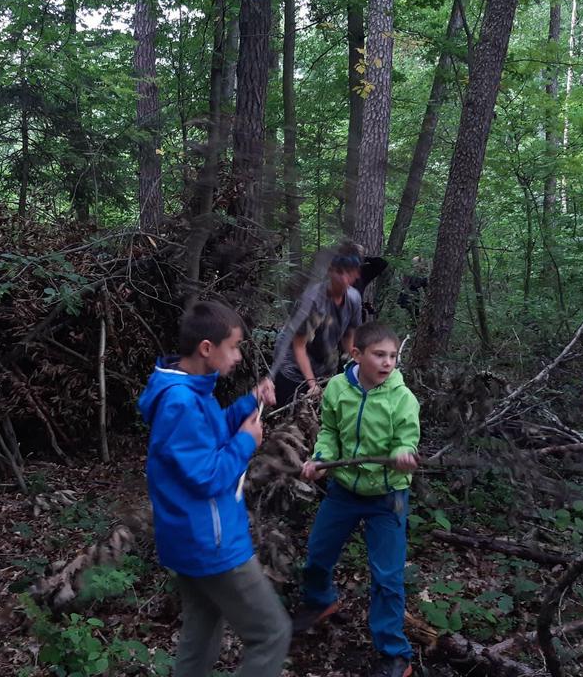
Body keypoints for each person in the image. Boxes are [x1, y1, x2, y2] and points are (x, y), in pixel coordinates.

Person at [139, 301, 291, 677]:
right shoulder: (180, 402)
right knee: (272, 634)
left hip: (192, 538)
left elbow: (207, 437)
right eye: (234, 347)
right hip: (212, 542)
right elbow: (207, 475)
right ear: (207, 348)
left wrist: (250, 402)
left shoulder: (189, 392)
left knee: (201, 637)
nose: (238, 357)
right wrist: (246, 442)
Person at [293, 320, 421, 677]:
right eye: (379, 355)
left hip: (388, 497)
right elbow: (330, 431)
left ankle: (395, 654)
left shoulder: (403, 399)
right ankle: (320, 602)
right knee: (318, 553)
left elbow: (407, 439)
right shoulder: (337, 388)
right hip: (344, 490)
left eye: (392, 356)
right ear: (356, 354)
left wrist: (404, 453)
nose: (387, 363)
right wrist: (321, 459)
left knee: (387, 577)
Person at [273, 244, 363, 406]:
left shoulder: (354, 299)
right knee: (289, 411)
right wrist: (312, 383)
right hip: (291, 366)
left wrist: (357, 363)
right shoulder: (312, 300)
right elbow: (298, 346)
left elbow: (349, 335)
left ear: (356, 273)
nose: (343, 279)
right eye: (339, 272)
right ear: (330, 271)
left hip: (322, 365)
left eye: (349, 272)